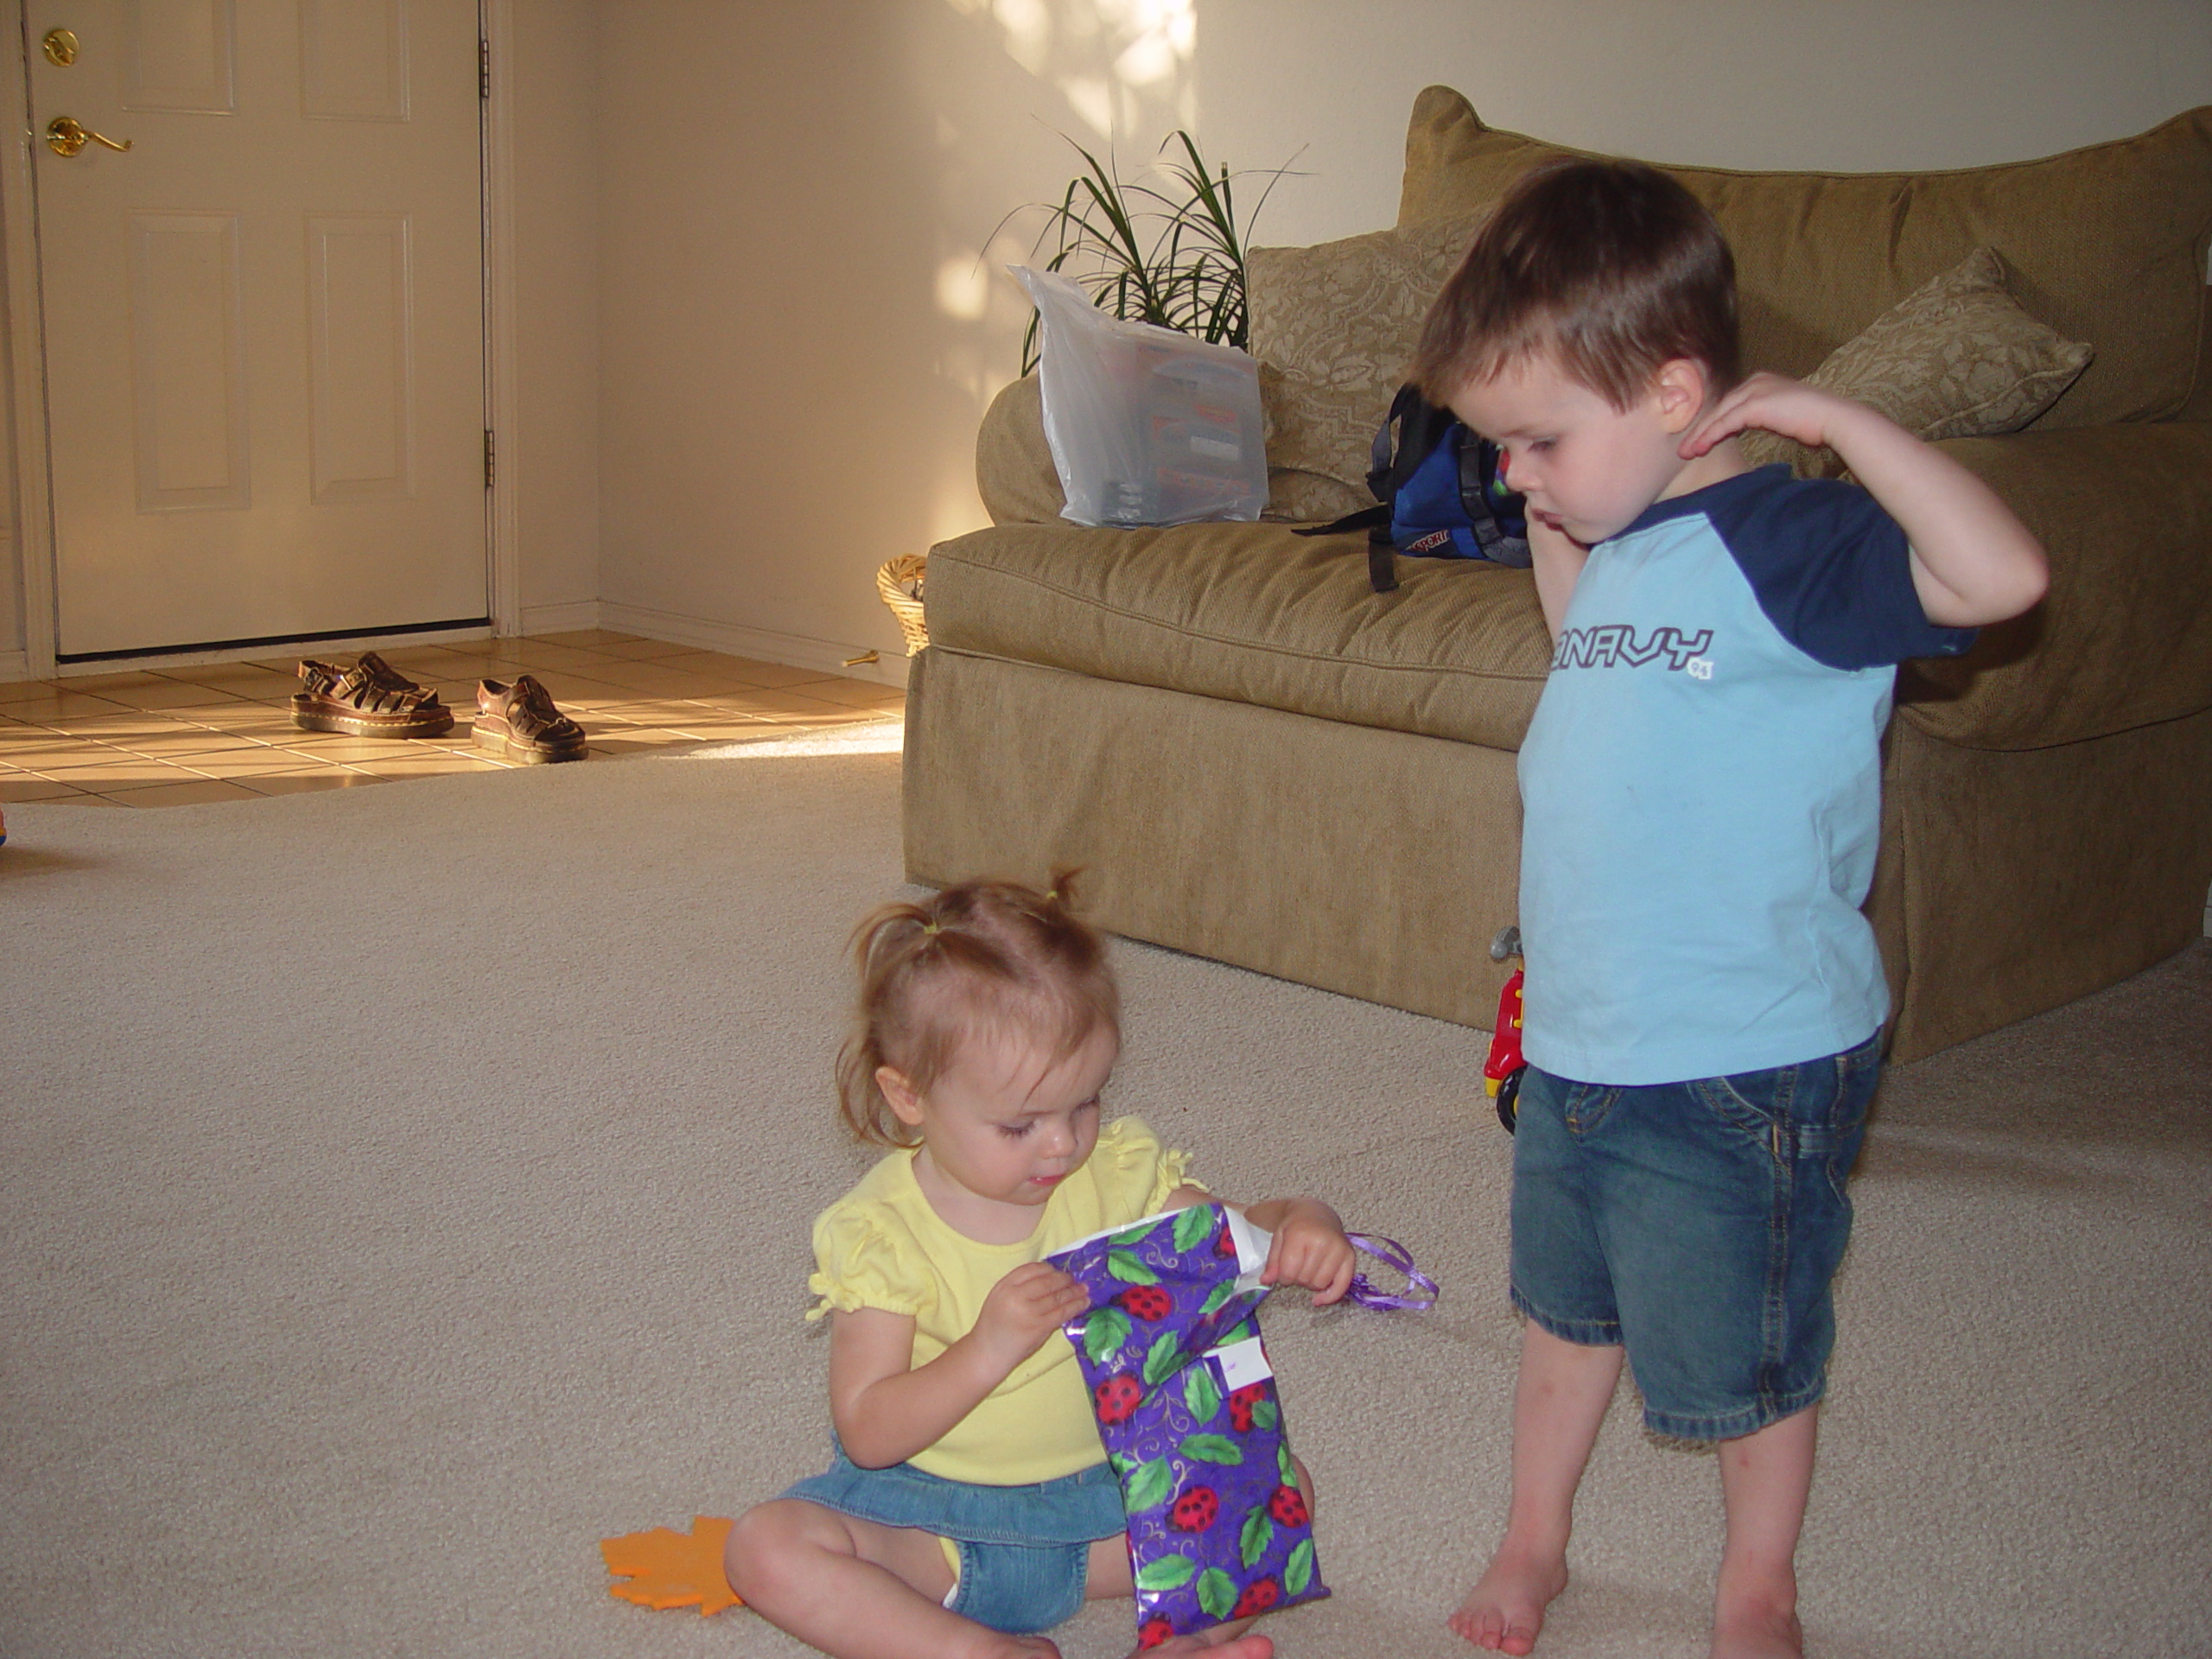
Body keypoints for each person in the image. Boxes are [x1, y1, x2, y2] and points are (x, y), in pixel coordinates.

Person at [1412, 160, 2049, 1659]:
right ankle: (1534, 1537)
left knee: (1746, 1353)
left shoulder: (1799, 551)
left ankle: (1758, 1580)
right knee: (1562, 1316)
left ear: (1679, 392)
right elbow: (1581, 646)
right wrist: (1571, 491)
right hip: (1581, 1044)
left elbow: (2003, 574)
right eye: (1501, 446)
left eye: (1537, 440)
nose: (1516, 477)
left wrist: (1833, 423)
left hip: (1742, 1059)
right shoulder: (1622, 547)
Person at [724, 874, 1357, 1659]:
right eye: (1021, 1124)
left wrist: (1302, 1223)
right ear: (909, 1096)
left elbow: (1232, 1235)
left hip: (1114, 1508)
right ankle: (970, 1650)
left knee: (1284, 1485)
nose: (1063, 1144)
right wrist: (988, 1346)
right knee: (765, 1547)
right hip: (932, 1525)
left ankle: (1177, 1648)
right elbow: (869, 1431)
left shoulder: (1119, 1177)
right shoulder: (882, 1234)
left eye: (1087, 1102)